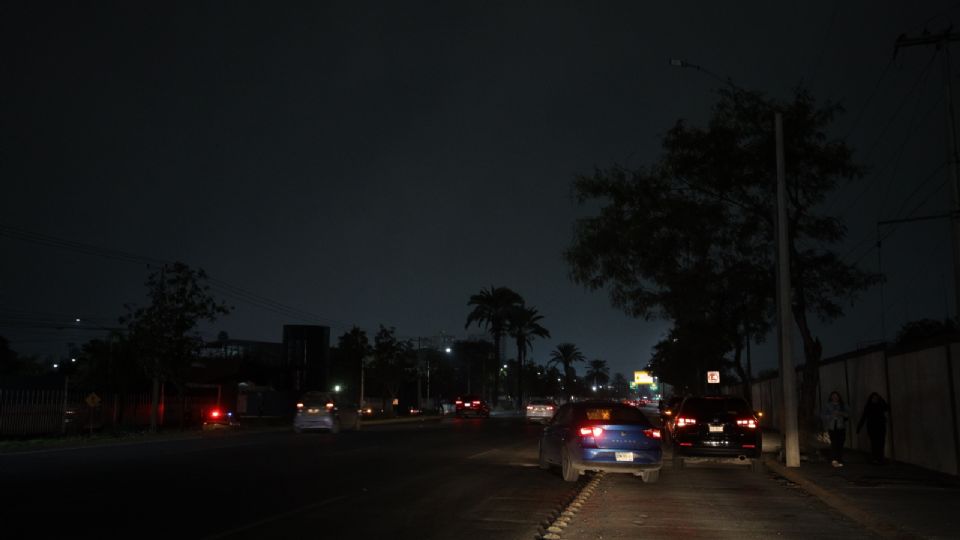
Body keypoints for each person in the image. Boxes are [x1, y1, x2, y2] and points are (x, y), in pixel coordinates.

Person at [857, 392, 889, 464]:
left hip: (881, 427)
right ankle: (875, 458)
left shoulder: (880, 405)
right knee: (874, 443)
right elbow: (864, 417)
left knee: (881, 443)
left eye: (876, 398)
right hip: (872, 428)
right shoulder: (869, 406)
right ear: (871, 399)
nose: (875, 399)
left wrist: (881, 399)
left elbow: (886, 407)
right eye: (873, 398)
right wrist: (859, 427)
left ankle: (880, 458)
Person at [822, 391, 849, 467]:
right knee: (834, 443)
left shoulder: (843, 405)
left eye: (836, 396)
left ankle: (839, 458)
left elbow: (848, 414)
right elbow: (823, 415)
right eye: (833, 396)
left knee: (840, 442)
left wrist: (841, 413)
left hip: (841, 426)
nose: (835, 398)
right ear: (831, 397)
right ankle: (834, 459)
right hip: (832, 427)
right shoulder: (828, 405)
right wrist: (831, 415)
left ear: (839, 397)